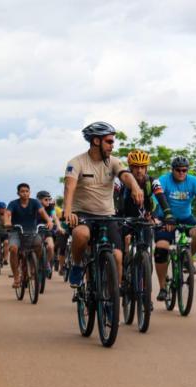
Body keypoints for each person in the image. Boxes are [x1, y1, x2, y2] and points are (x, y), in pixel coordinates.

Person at [63, 121, 144, 289]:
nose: (112, 146)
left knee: (117, 256)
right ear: (96, 141)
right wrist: (68, 212)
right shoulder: (76, 162)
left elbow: (125, 175)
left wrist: (135, 186)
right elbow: (69, 187)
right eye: (109, 141)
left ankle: (112, 298)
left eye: (112, 141)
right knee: (81, 235)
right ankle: (77, 266)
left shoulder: (113, 161)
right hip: (83, 214)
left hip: (107, 216)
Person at [153, 156, 196, 302]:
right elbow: (156, 200)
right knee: (161, 248)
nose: (181, 173)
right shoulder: (164, 180)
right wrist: (156, 217)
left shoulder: (193, 181)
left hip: (186, 218)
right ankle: (163, 287)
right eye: (178, 170)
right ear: (172, 170)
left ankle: (186, 259)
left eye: (184, 170)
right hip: (166, 219)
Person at [4, 183, 53, 288]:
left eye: (27, 191)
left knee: (39, 244)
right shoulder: (13, 203)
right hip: (16, 231)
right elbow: (7, 214)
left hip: (32, 232)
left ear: (29, 192)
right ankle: (16, 277)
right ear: (18, 193)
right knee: (13, 249)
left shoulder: (35, 202)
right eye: (22, 191)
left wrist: (49, 221)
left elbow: (42, 212)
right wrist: (7, 222)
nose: (25, 193)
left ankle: (34, 267)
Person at [36, 191, 65, 275]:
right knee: (35, 247)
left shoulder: (51, 207)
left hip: (46, 229)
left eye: (49, 199)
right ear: (39, 200)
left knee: (51, 247)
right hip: (35, 230)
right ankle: (34, 264)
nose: (48, 201)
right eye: (46, 200)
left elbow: (55, 218)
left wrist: (59, 227)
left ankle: (47, 263)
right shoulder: (34, 206)